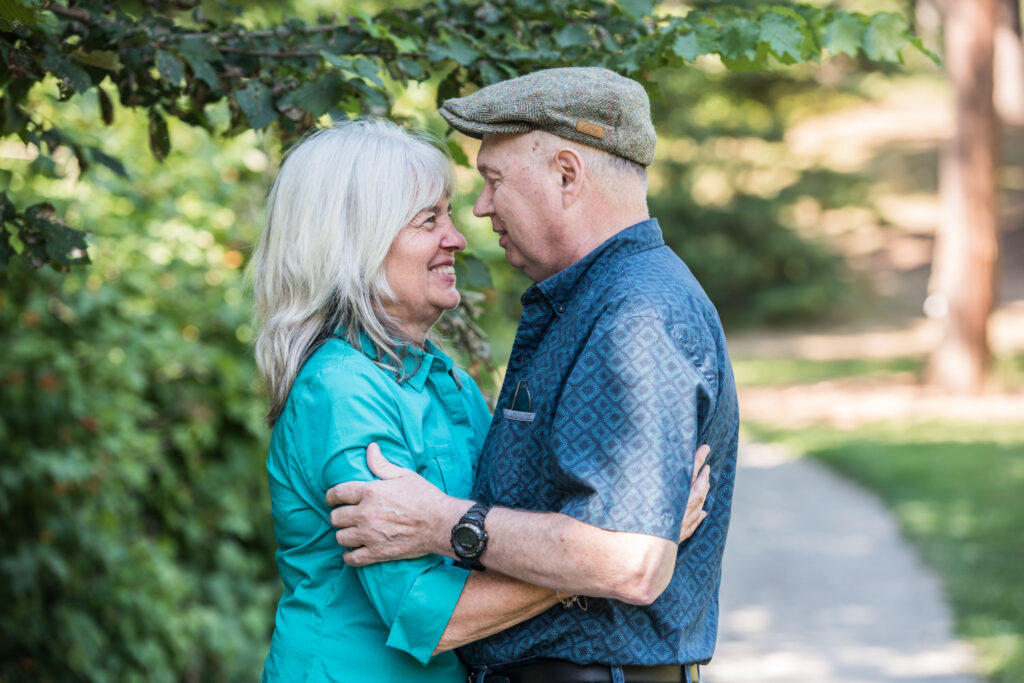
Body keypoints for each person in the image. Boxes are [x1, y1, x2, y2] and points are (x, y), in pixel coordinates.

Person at [249, 119, 711, 682]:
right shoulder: (341, 390)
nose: (458, 237)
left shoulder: (446, 381)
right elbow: (434, 616)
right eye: (428, 220)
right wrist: (612, 560)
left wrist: (615, 544)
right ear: (356, 242)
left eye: (448, 214)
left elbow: (512, 524)